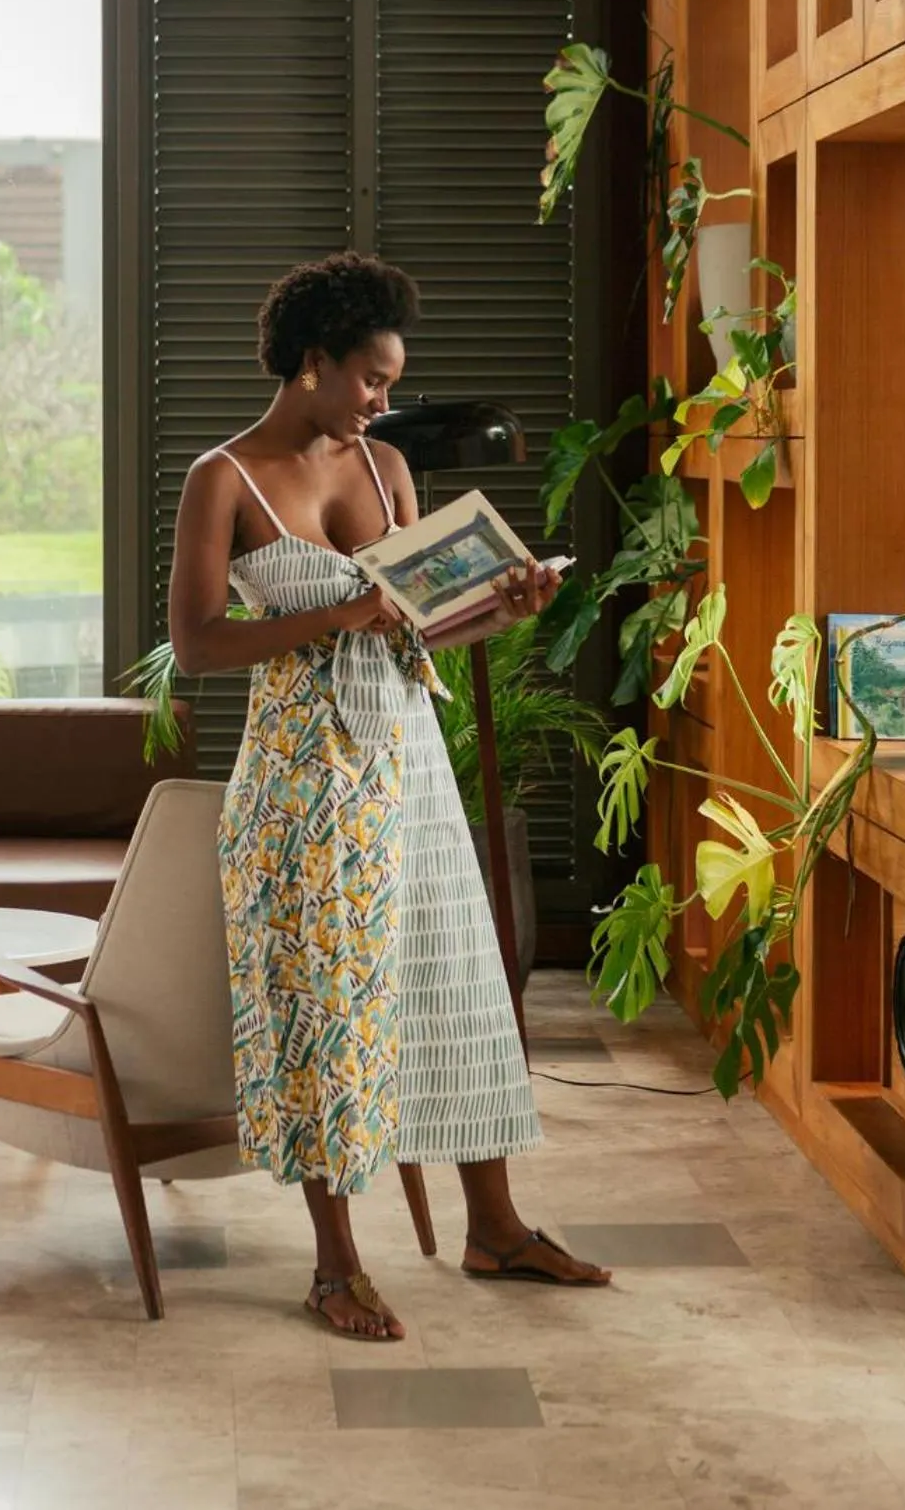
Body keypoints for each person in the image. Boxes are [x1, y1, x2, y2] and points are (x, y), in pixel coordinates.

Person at [168, 252, 610, 1341]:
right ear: (311, 362)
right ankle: (332, 1265)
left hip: (405, 762)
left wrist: (510, 603)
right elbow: (193, 644)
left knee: (456, 984)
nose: (380, 398)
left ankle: (493, 1227)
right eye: (368, 377)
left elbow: (424, 625)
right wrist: (340, 616)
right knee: (328, 1014)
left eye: (388, 380)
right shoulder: (221, 477)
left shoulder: (385, 471)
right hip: (300, 784)